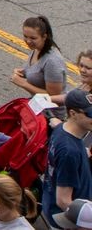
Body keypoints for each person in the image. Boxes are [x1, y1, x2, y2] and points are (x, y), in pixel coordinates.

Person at [44, 90, 92, 228]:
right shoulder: (70, 152)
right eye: (90, 114)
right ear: (73, 113)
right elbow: (63, 201)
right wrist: (85, 223)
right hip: (69, 220)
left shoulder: (61, 129)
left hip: (49, 200)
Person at [11, 15, 67, 100]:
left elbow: (53, 97)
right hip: (36, 104)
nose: (28, 41)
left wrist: (23, 83)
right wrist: (22, 73)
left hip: (50, 112)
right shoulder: (37, 49)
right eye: (25, 36)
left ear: (44, 37)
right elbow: (38, 73)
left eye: (33, 38)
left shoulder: (52, 61)